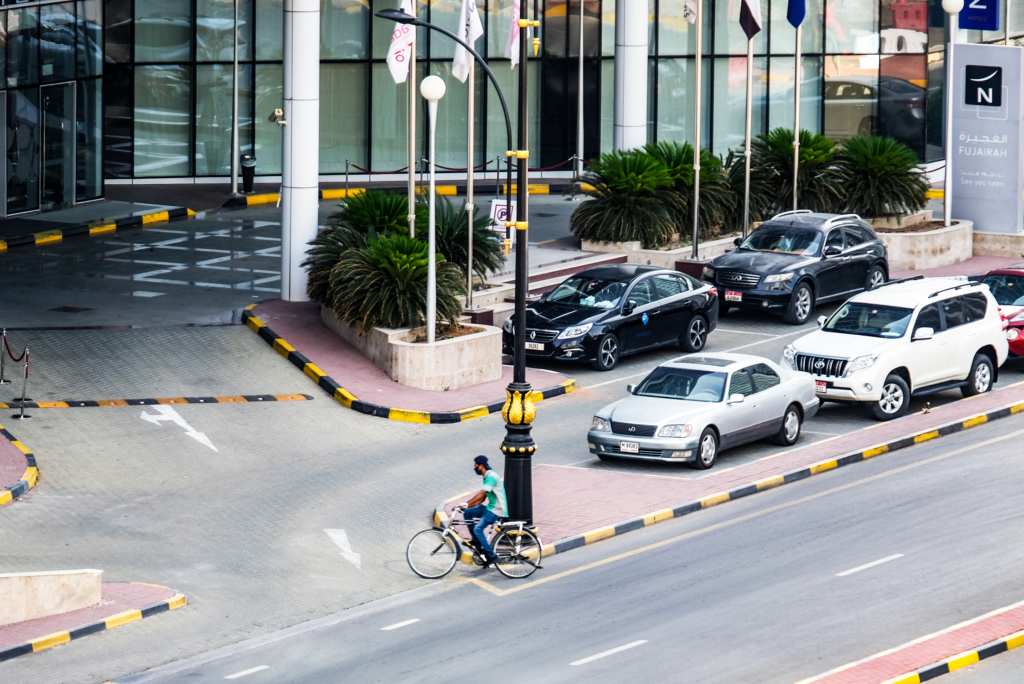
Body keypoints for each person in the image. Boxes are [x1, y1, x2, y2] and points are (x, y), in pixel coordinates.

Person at [456, 455, 507, 569]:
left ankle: (491, 556)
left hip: (496, 509)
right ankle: (476, 542)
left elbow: (482, 494)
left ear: (481, 465)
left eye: (476, 466)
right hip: (490, 507)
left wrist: (467, 503)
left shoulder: (491, 476)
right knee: (468, 513)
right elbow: (482, 499)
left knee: (478, 529)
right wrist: (467, 506)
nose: (475, 468)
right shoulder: (486, 476)